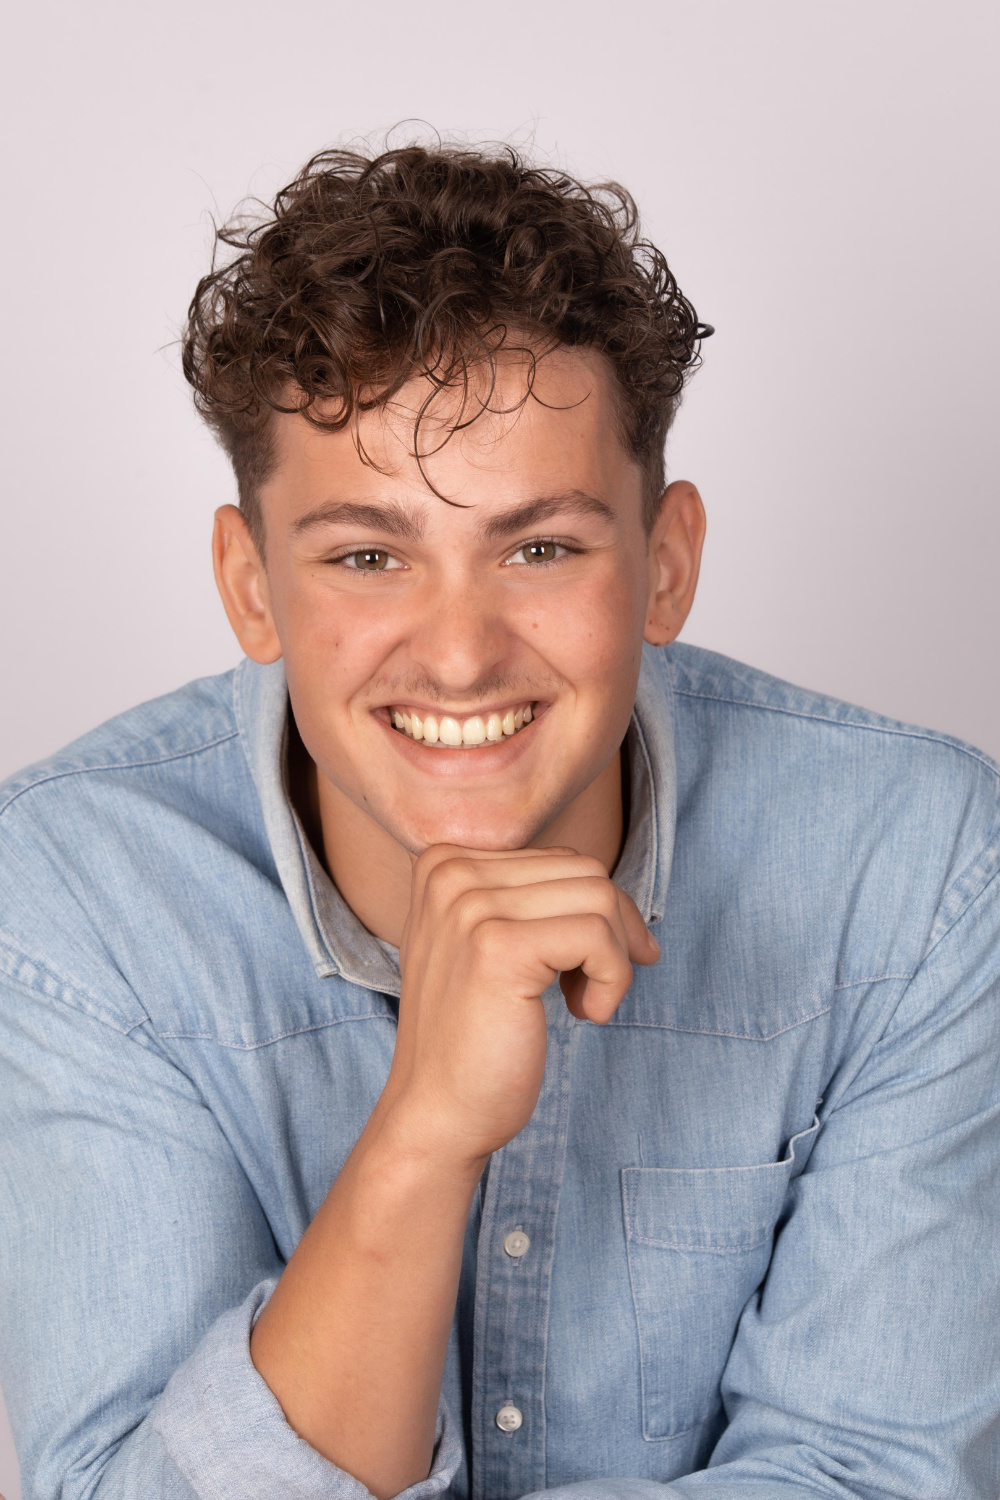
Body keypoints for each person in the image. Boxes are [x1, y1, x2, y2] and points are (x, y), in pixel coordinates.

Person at [1, 141, 998, 1500]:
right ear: (251, 588)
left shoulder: (916, 865)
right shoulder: (76, 891)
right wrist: (421, 1134)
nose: (460, 654)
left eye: (540, 548)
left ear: (667, 566)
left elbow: (873, 1477)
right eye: (368, 556)